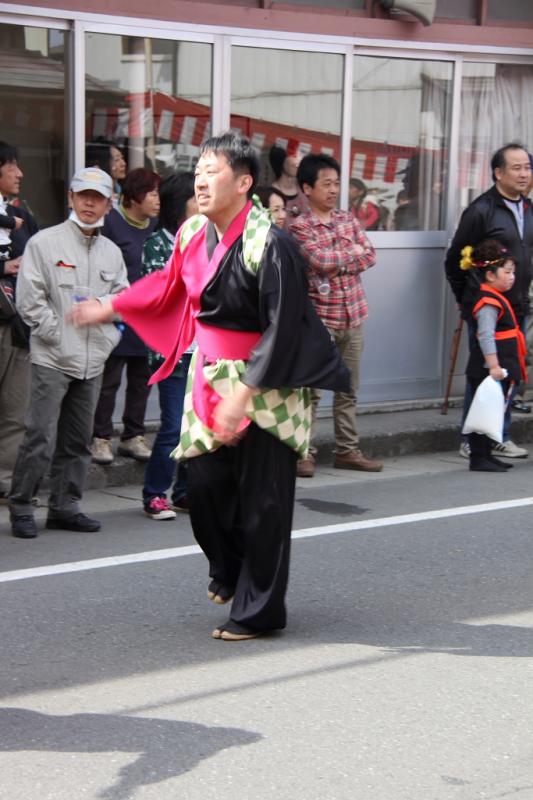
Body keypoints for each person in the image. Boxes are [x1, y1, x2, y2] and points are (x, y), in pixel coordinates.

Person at [71, 132, 349, 641]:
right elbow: (168, 286)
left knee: (264, 503)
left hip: (268, 382)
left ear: (244, 183)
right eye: (198, 170)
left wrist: (243, 397)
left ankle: (259, 611)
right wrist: (110, 307)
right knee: (202, 486)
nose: (200, 179)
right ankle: (231, 569)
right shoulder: (192, 232)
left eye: (213, 170)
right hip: (210, 373)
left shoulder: (272, 242)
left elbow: (284, 327)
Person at [8, 167, 129, 539]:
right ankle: (22, 505)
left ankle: (64, 506)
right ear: (71, 198)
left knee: (78, 440)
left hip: (93, 360)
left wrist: (107, 339)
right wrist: (57, 335)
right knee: (39, 437)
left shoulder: (112, 251)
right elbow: (30, 302)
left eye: (98, 197)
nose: (89, 203)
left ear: (110, 204)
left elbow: (123, 300)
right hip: (52, 358)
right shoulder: (44, 243)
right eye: (83, 195)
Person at [289, 152, 382, 478]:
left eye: (336, 184)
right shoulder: (299, 226)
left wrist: (340, 258)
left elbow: (369, 255)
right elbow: (319, 262)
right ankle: (304, 453)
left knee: (348, 389)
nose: (333, 190)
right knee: (311, 393)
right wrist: (348, 255)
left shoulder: (346, 219)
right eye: (326, 184)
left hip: (353, 315)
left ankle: (348, 450)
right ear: (306, 188)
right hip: (320, 321)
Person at [445, 142, 533, 461]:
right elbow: (455, 260)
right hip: (487, 308)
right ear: (498, 172)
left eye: (527, 167)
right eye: (517, 167)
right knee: (484, 370)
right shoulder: (481, 210)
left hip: (517, 306)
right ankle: (472, 438)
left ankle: (499, 434)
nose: (524, 173)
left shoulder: (527, 208)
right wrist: (465, 301)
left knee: (508, 371)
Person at [91, 167, 160, 465]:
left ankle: (133, 435)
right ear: (135, 196)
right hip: (117, 312)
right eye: (153, 193)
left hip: (148, 315)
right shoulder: (112, 224)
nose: (158, 200)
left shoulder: (155, 226)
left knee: (142, 379)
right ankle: (100, 437)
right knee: (110, 380)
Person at [141, 172, 197, 521]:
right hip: (173, 353)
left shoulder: (208, 240)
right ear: (180, 204)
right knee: (174, 426)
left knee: (196, 426)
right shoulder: (158, 244)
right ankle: (154, 494)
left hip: (205, 351)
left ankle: (186, 492)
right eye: (196, 197)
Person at [460, 239, 527, 471]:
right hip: (489, 367)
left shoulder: (497, 296)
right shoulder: (487, 302)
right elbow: (485, 335)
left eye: (513, 272)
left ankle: (487, 454)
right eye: (507, 272)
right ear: (490, 275)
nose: (512, 277)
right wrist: (494, 365)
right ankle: (478, 457)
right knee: (484, 411)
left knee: (495, 409)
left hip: (500, 365)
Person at [0, 141, 39, 502]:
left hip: (15, 324)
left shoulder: (20, 214)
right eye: (12, 166)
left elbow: (35, 257)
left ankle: (5, 482)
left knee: (15, 408)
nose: (19, 174)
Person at [268, 144, 308, 224]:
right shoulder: (269, 194)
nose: (299, 160)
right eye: (294, 155)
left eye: (300, 155)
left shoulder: (305, 191)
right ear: (281, 160)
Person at [86, 138, 127, 208]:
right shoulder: (96, 193)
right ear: (103, 163)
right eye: (117, 159)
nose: (123, 164)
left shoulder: (119, 189)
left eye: (122, 158)